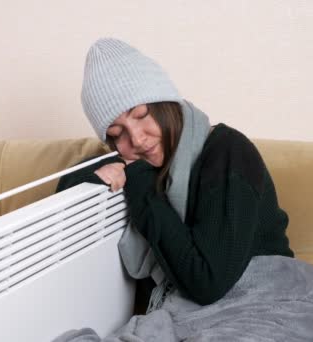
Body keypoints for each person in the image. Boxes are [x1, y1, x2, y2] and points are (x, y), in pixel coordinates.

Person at [55, 38, 293, 311]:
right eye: (117, 133)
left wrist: (139, 179)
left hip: (268, 302)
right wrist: (103, 174)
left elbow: (206, 283)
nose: (137, 139)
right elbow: (68, 190)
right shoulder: (133, 161)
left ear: (165, 103)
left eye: (141, 114)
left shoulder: (228, 152)